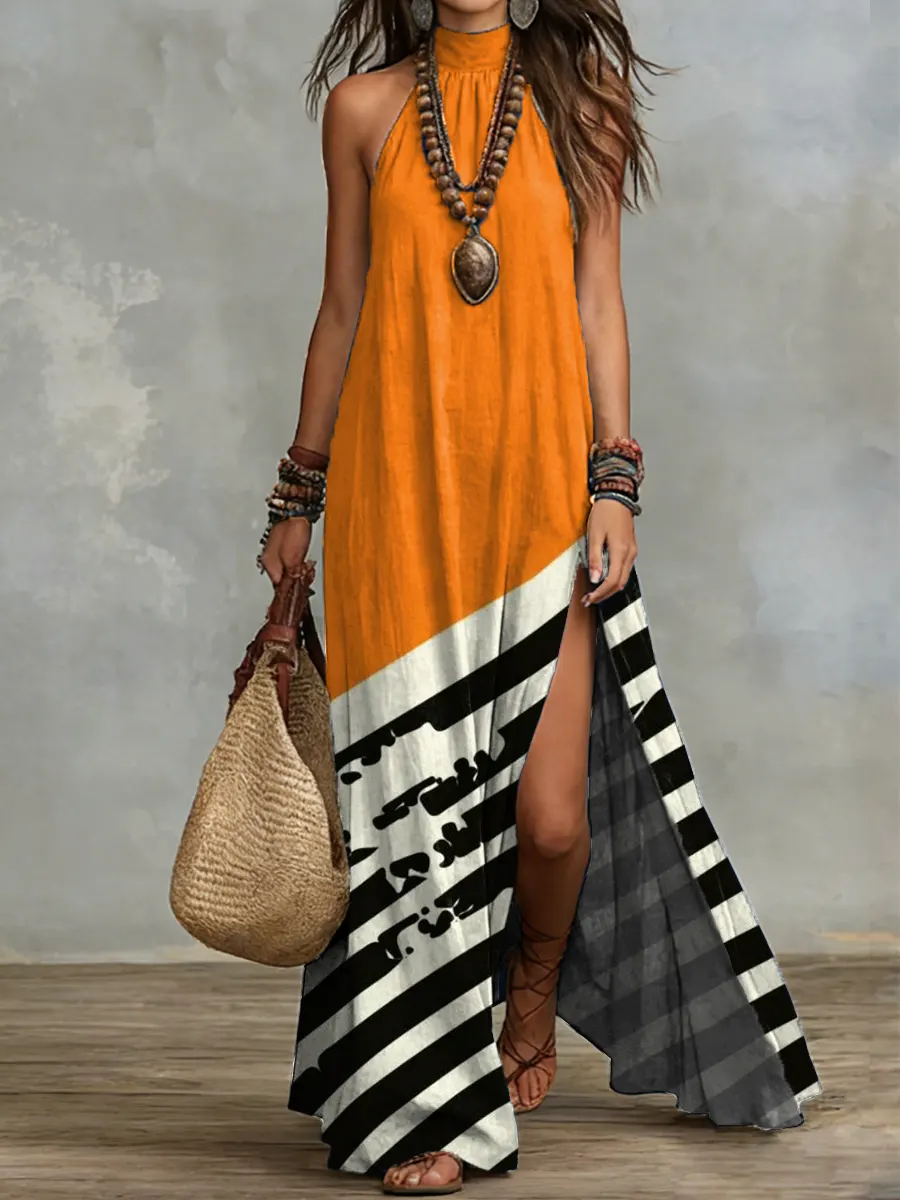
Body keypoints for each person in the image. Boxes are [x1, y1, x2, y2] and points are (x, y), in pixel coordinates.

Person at [257, 1, 822, 1194]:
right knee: (413, 828)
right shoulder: (362, 110)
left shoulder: (582, 108)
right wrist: (297, 495)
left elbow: (598, 299)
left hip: (537, 507)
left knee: (552, 821)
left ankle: (532, 978)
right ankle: (429, 1111)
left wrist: (615, 478)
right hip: (397, 507)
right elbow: (342, 305)